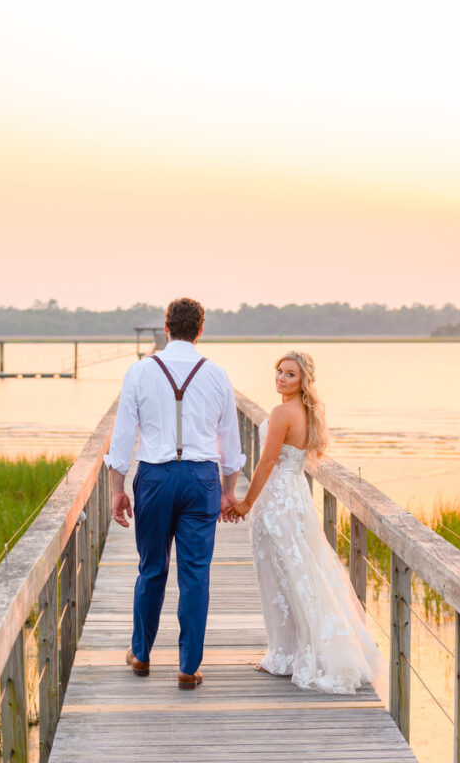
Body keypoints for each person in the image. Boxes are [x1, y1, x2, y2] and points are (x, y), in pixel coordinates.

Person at [105, 297, 245, 690]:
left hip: (154, 477)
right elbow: (230, 444)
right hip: (201, 478)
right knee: (195, 574)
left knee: (152, 568)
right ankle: (188, 667)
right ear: (200, 330)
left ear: (166, 327)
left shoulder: (139, 372)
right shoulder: (217, 375)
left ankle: (142, 654)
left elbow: (122, 438)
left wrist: (117, 489)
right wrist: (228, 491)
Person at [226, 350, 384, 694]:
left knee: (281, 576)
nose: (281, 379)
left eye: (290, 375)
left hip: (277, 500)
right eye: (279, 372)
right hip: (295, 495)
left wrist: (246, 502)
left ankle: (285, 655)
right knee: (301, 573)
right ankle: (294, 650)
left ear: (303, 381)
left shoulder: (282, 412)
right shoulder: (307, 412)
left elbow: (267, 461)